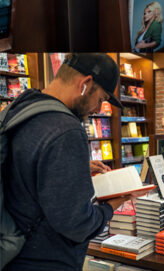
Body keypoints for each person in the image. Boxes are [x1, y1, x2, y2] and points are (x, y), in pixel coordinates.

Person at [1, 54, 139, 270]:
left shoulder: (21, 106)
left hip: (12, 252)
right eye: (101, 99)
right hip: (44, 261)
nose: (98, 110)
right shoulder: (67, 129)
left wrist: (77, 169)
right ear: (85, 84)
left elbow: (24, 168)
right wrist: (110, 208)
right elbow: (76, 223)